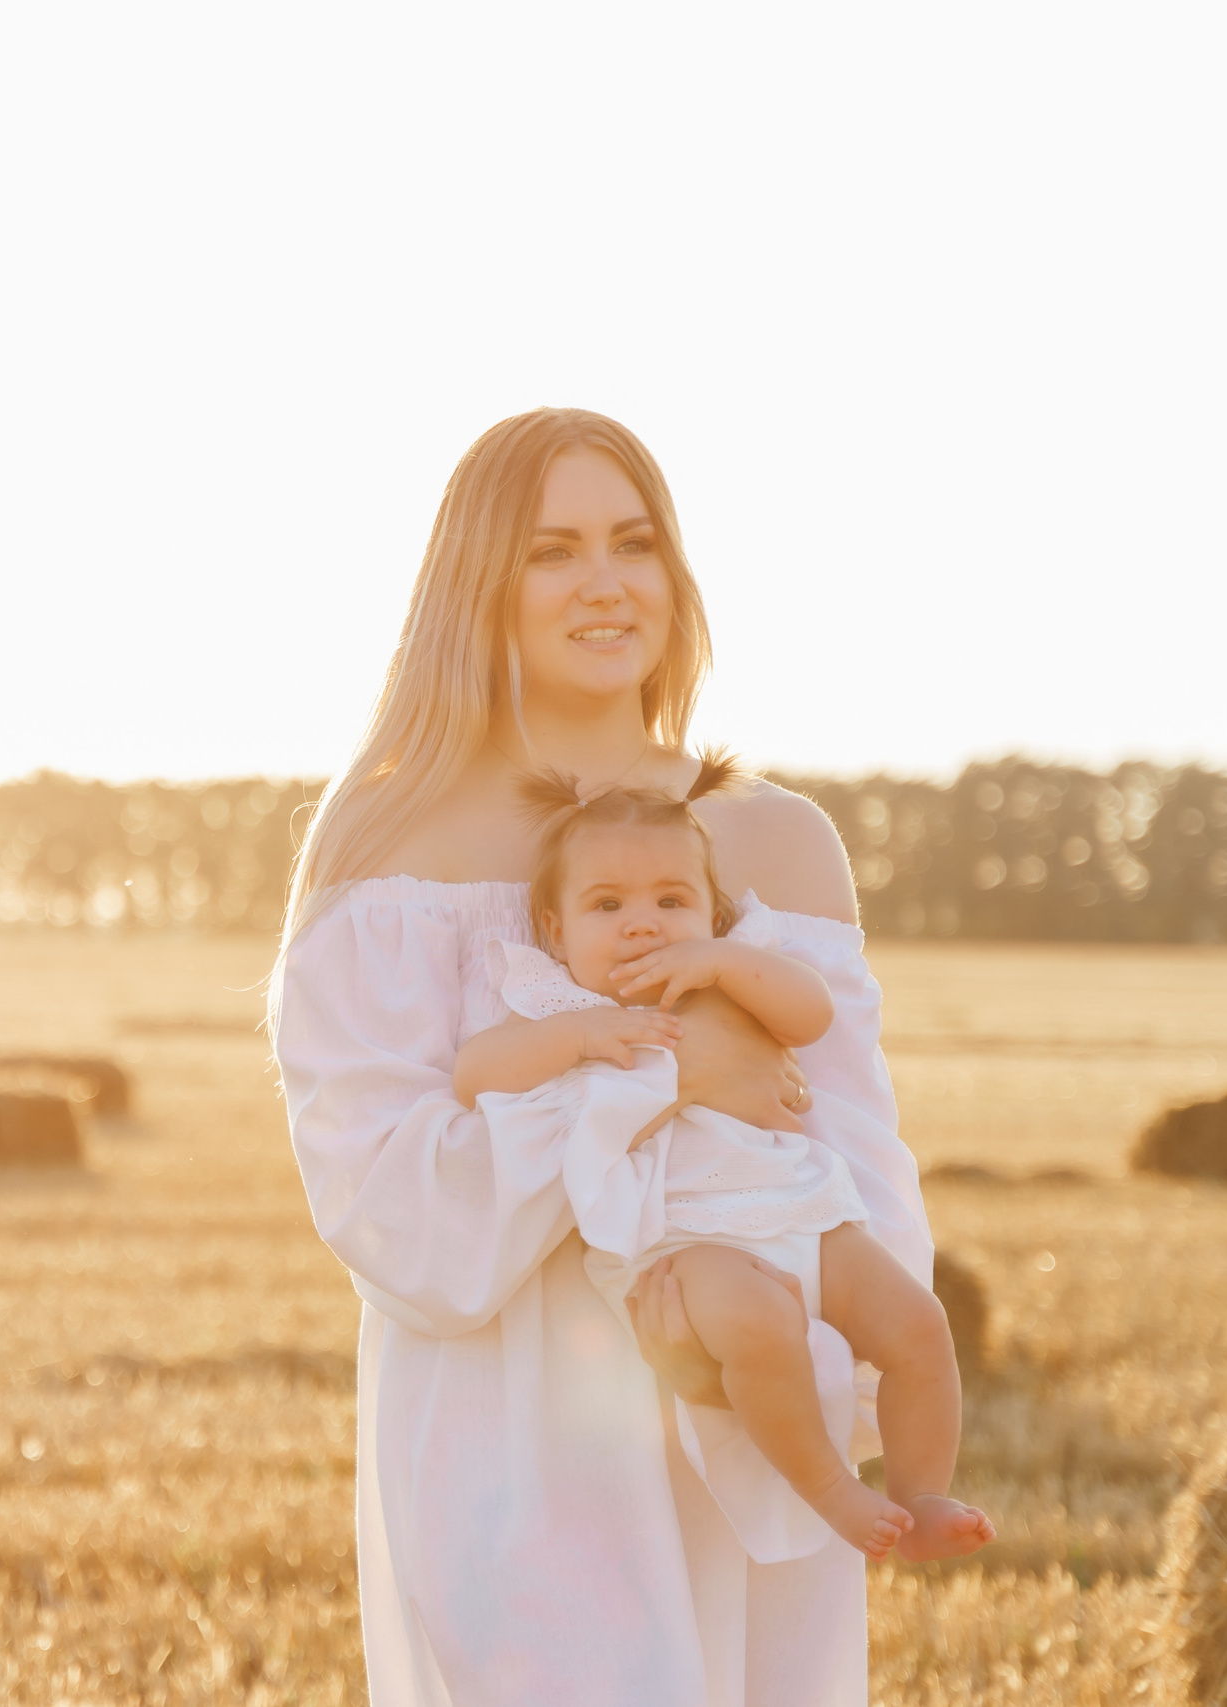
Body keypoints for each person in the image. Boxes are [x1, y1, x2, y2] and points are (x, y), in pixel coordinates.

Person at [271, 406, 935, 1705]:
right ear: (480, 582)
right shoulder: (383, 832)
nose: (604, 580)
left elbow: (860, 1158)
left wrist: (824, 1369)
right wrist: (651, 1079)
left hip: (746, 1411)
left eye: (634, 542)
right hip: (504, 1431)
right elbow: (386, 1197)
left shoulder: (782, 839)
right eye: (552, 549)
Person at [450, 761, 992, 1564]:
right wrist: (578, 1039)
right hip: (686, 1239)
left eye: (672, 901)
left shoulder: (735, 976)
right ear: (557, 930)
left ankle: (920, 1489)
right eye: (608, 905)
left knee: (920, 1322)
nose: (644, 924)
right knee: (760, 1330)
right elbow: (473, 1075)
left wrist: (726, 965)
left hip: (801, 1210)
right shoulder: (561, 1004)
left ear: (713, 911)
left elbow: (812, 1013)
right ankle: (830, 1489)